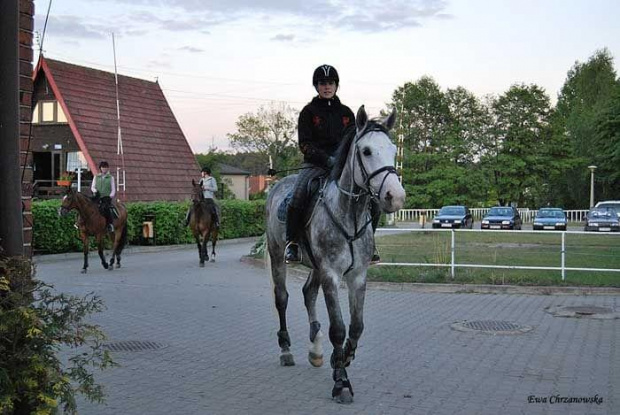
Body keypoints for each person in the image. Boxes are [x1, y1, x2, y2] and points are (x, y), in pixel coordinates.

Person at [286, 64, 379, 263]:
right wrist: (327, 159)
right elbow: (304, 144)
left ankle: (370, 243)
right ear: (316, 86)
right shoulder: (308, 112)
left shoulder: (346, 113)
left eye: (330, 83)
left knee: (373, 201)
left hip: (344, 167)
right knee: (297, 196)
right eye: (322, 83)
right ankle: (292, 243)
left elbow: (354, 141)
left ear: (336, 86)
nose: (327, 87)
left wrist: (344, 161)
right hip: (315, 165)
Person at [91, 161, 116, 232]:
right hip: (97, 196)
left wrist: (110, 196)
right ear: (100, 168)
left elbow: (113, 189)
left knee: (106, 208)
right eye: (103, 167)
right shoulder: (96, 177)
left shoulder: (111, 178)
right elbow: (92, 187)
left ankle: (110, 224)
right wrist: (95, 191)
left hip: (106, 197)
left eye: (106, 167)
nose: (104, 169)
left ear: (108, 168)